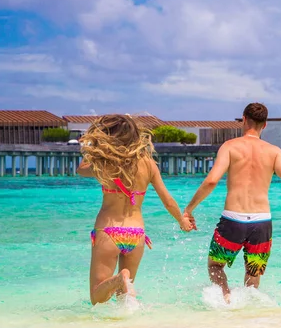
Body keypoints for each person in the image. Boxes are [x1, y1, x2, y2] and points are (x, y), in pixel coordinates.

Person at [183, 103, 281, 303]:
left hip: (232, 220)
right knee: (253, 275)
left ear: (244, 119)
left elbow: (211, 181)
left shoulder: (230, 147)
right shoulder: (274, 152)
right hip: (262, 223)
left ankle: (226, 299)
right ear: (265, 125)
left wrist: (188, 210)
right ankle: (250, 315)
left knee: (215, 266)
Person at [78, 114, 194, 305]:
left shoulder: (104, 163)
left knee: (97, 297)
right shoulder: (148, 163)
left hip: (108, 231)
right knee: (124, 299)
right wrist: (182, 220)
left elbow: (81, 169)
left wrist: (92, 145)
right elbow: (167, 200)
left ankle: (118, 278)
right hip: (137, 234)